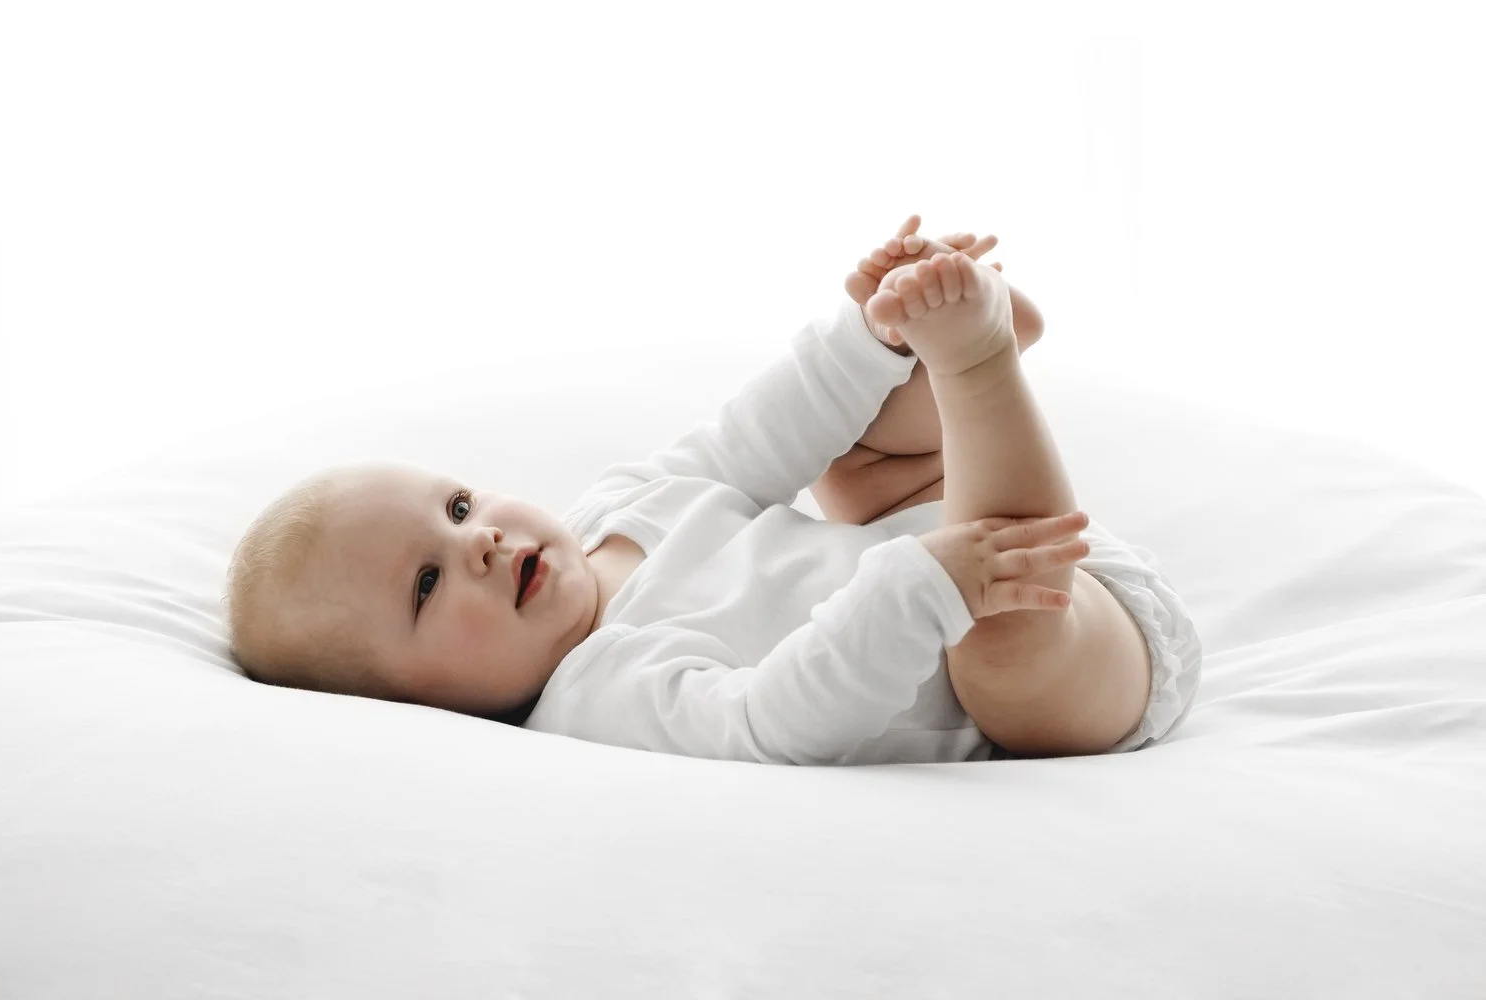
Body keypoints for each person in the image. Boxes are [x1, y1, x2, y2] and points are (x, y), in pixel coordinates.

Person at [224, 216, 1202, 765]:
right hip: (1051, 660)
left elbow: (754, 435)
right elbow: (771, 720)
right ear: (420, 710)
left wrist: (864, 335)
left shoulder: (613, 512)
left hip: (967, 537)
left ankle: (934, 351)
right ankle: (979, 366)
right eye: (427, 586)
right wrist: (915, 589)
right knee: (999, 643)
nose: (476, 544)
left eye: (459, 506)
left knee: (843, 459)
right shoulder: (597, 699)